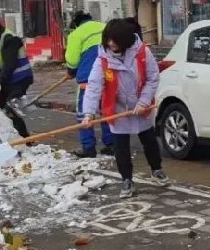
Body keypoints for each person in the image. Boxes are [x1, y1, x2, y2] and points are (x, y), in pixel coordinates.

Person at [81, 18, 167, 199]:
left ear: (125, 39)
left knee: (149, 140)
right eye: (108, 39)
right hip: (118, 108)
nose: (111, 43)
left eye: (115, 40)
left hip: (141, 105)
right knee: (121, 146)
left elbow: (153, 78)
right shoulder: (103, 59)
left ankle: (157, 170)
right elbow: (94, 86)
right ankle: (127, 180)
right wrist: (88, 113)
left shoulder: (142, 52)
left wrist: (143, 102)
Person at [66, 11, 114, 158]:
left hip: (87, 79)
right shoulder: (105, 27)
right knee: (106, 110)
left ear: (76, 24)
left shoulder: (76, 34)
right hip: (109, 75)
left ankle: (88, 147)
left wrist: (71, 72)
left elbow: (72, 61)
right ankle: (112, 144)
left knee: (84, 111)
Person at [0, 14, 34, 137]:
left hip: (19, 79)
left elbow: (10, 64)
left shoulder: (9, 39)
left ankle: (25, 139)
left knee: (10, 108)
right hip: (4, 80)